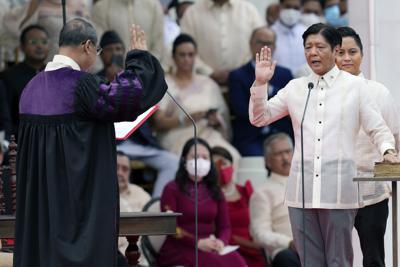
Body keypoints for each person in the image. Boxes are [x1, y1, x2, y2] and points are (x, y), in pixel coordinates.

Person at [14, 18, 168, 267]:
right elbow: (130, 97)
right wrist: (139, 58)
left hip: (43, 208)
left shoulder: (30, 88)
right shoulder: (80, 85)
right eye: (96, 52)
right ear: (87, 46)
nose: (95, 59)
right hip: (76, 205)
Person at [249, 23, 399, 266]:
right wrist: (260, 83)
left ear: (335, 50)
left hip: (338, 191)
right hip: (301, 193)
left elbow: (377, 126)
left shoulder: (355, 87)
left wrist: (388, 150)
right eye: (308, 47)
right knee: (309, 261)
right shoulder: (296, 88)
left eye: (320, 47)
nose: (313, 52)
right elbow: (259, 117)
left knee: (338, 261)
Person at [336, 26, 400, 267]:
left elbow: (393, 136)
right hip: (336, 189)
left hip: (372, 190)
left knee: (373, 257)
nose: (346, 58)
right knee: (337, 257)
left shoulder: (378, 92)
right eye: (340, 52)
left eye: (352, 52)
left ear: (362, 55)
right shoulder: (324, 94)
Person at [97, 30, 179, 197]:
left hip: (139, 143)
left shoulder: (133, 77)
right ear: (102, 54)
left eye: (119, 49)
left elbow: (150, 103)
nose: (115, 54)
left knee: (173, 163)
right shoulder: (93, 80)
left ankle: (154, 206)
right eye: (110, 49)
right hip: (109, 144)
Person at [157, 138, 247, 267]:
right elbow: (169, 227)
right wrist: (197, 243)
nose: (200, 161)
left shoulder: (215, 190)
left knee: (238, 262)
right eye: (195, 156)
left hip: (210, 245)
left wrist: (221, 242)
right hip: (179, 247)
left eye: (205, 157)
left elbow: (225, 226)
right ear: (184, 160)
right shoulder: (171, 189)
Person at [153, 34, 241, 166]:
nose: (186, 59)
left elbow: (224, 120)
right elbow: (158, 122)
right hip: (179, 136)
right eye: (182, 55)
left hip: (208, 135)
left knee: (231, 156)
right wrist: (187, 119)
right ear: (174, 57)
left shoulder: (208, 83)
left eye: (190, 55)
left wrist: (215, 121)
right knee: (195, 161)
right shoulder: (165, 84)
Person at [229, 26, 293, 156]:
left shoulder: (285, 74)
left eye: (268, 43)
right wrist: (262, 88)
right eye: (260, 42)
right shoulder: (237, 75)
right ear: (251, 44)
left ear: (274, 47)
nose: (264, 47)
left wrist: (270, 89)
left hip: (281, 134)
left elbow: (290, 106)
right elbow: (240, 110)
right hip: (251, 136)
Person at [180, 0, 264, 86]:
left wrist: (238, 73)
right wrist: (210, 72)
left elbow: (262, 47)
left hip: (245, 87)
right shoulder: (192, 13)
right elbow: (182, 49)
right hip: (202, 86)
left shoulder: (249, 11)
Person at [250, 133, 301, 267]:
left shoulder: (309, 183)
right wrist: (289, 243)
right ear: (267, 161)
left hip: (316, 245)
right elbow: (259, 233)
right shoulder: (262, 192)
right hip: (287, 251)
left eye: (288, 152)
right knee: (286, 258)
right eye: (278, 154)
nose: (285, 158)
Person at [211, 146, 265, 267]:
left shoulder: (245, 190)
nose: (220, 168)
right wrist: (250, 245)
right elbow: (216, 230)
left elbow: (258, 220)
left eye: (223, 163)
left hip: (255, 250)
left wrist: (259, 242)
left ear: (232, 165)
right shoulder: (209, 196)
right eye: (215, 165)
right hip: (227, 249)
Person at [0, 24, 49, 136]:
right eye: (33, 42)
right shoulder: (9, 76)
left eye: (44, 42)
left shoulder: (56, 74)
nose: (39, 46)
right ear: (22, 47)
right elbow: (6, 118)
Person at [92, 0, 164, 61]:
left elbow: (158, 46)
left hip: (148, 72)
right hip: (112, 75)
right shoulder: (101, 8)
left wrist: (147, 70)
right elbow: (97, 49)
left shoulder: (153, 6)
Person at [116, 151, 151, 265]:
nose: (120, 173)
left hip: (144, 255)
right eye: (116, 167)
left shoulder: (140, 194)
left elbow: (153, 225)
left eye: (125, 169)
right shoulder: (98, 195)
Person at [271, 0, 307, 75]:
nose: (291, 11)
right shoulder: (270, 33)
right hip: (277, 83)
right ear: (280, 7)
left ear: (301, 9)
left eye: (296, 8)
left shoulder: (308, 33)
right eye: (288, 6)